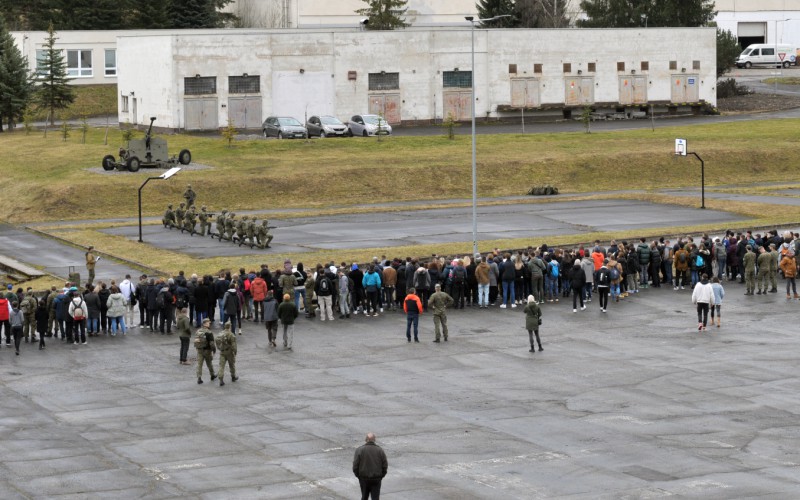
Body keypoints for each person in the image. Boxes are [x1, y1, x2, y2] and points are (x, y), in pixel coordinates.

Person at [352, 432, 388, 500]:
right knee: (375, 498)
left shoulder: (359, 450)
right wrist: (381, 476)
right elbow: (385, 465)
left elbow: (355, 466)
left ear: (366, 439)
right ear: (374, 440)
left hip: (364, 478)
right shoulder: (380, 450)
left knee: (364, 497)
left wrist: (359, 476)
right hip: (376, 479)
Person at [216, 321, 238, 386]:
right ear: (230, 327)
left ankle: (221, 379)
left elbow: (217, 341)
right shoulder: (231, 334)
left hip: (222, 352)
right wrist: (235, 352)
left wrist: (219, 348)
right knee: (232, 365)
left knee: (221, 366)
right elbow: (234, 345)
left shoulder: (220, 333)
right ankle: (233, 377)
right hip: (229, 352)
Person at [194, 318, 216, 384]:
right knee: (209, 363)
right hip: (207, 351)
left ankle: (199, 378)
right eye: (208, 323)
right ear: (205, 324)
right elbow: (212, 343)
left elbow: (196, 340)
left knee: (199, 364)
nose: (209, 324)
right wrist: (214, 350)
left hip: (199, 350)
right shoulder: (209, 332)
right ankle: (212, 375)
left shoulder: (198, 331)